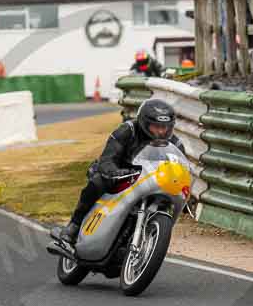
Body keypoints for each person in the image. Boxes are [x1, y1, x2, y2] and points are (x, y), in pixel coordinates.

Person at [57, 99, 185, 244]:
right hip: (119, 175)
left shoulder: (175, 144)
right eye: (156, 126)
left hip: (149, 181)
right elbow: (107, 158)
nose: (161, 131)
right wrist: (115, 172)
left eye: (165, 127)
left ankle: (149, 237)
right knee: (97, 182)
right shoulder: (127, 131)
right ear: (144, 123)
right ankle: (74, 225)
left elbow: (179, 169)